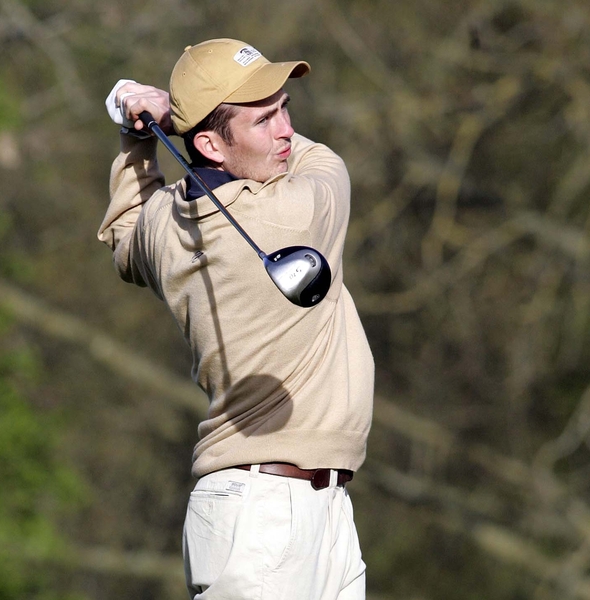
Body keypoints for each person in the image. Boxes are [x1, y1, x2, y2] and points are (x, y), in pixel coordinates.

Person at [98, 38, 374, 600]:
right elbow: (324, 161)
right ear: (208, 143)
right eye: (263, 119)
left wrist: (138, 129)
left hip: (296, 512)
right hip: (267, 519)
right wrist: (162, 123)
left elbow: (124, 230)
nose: (285, 131)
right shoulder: (294, 210)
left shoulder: (163, 225)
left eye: (284, 108)